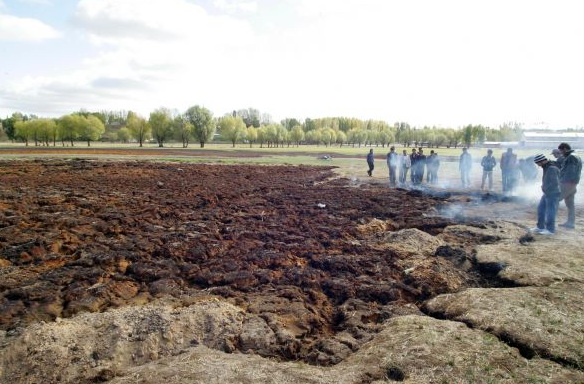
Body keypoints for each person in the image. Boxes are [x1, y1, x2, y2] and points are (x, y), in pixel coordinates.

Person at [530, 154, 561, 235]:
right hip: (547, 192)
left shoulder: (551, 168)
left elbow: (554, 182)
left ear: (542, 161)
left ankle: (550, 230)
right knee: (541, 209)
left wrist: (546, 188)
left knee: (550, 211)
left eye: (538, 163)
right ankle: (540, 227)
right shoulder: (547, 166)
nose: (538, 165)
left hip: (552, 193)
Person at [557, 143, 582, 229]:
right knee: (570, 204)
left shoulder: (571, 157)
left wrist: (561, 181)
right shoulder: (576, 156)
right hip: (573, 184)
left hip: (567, 184)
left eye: (561, 151)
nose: (561, 153)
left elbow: (570, 171)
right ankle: (570, 223)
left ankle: (549, 221)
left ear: (564, 149)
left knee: (554, 200)